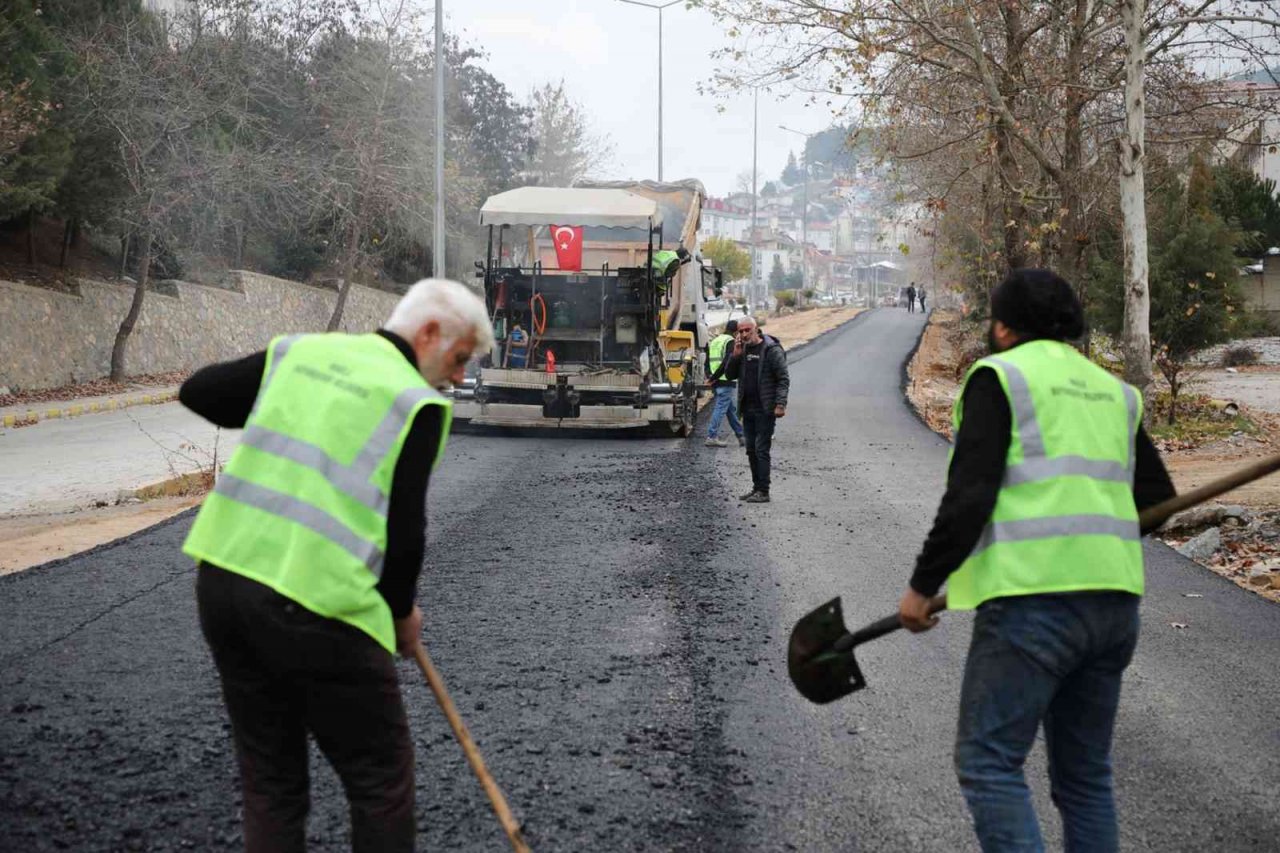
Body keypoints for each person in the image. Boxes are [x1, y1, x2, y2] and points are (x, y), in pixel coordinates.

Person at [179, 278, 494, 853]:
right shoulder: (413, 400)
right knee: (379, 782)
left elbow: (200, 392)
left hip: (224, 586)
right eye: (458, 359)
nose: (457, 378)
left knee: (271, 780)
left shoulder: (301, 353)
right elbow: (404, 538)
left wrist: (294, 403)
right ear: (428, 333)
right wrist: (400, 615)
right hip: (320, 609)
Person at [898, 268, 1175, 853]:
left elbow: (971, 496)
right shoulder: (1115, 393)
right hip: (1114, 606)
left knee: (989, 762)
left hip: (1032, 605)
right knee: (1085, 780)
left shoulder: (1002, 377)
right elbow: (1158, 504)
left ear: (1002, 328)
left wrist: (922, 586)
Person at [723, 315, 789, 503]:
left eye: (747, 330)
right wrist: (734, 355)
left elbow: (783, 378)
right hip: (747, 408)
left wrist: (780, 404)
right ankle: (756, 488)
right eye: (740, 331)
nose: (744, 334)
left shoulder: (770, 349)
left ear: (756, 329)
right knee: (751, 449)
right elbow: (729, 375)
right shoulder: (741, 350)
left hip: (766, 409)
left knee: (761, 449)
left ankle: (764, 491)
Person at [705, 318, 745, 448]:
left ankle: (741, 436)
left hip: (717, 380)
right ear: (736, 332)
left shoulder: (716, 340)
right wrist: (714, 377)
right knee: (721, 408)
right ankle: (711, 436)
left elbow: (707, 361)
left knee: (730, 410)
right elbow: (727, 362)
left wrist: (710, 376)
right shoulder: (730, 342)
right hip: (724, 379)